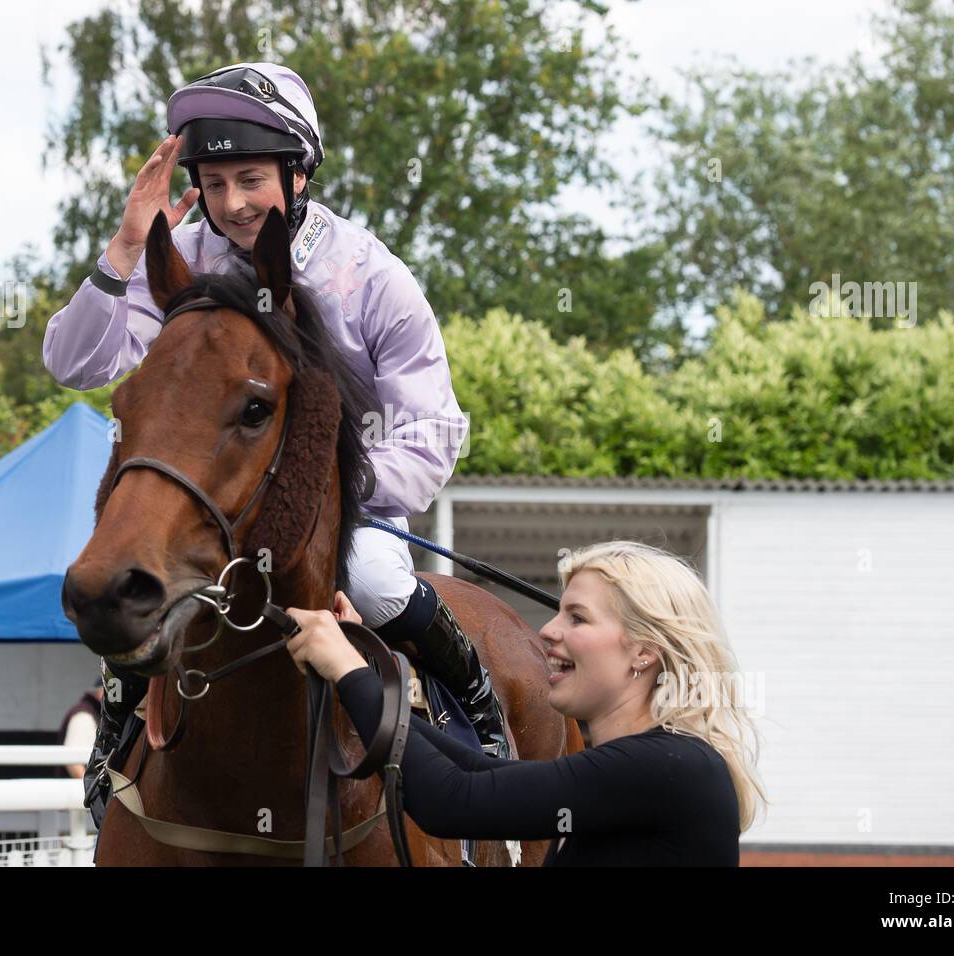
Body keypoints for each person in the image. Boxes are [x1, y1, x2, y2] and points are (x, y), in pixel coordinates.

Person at [41, 63, 509, 828]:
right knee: (135, 566)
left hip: (338, 517)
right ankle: (118, 734)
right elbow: (74, 363)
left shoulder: (374, 277)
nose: (232, 203)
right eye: (215, 183)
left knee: (376, 579)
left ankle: (477, 702)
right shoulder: (177, 260)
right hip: (213, 515)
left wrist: (327, 510)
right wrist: (126, 248)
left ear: (298, 172)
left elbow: (432, 428)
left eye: (250, 179)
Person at [285, 540, 770, 865]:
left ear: (644, 652)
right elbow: (478, 771)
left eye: (577, 619)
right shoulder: (662, 764)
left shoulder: (669, 765)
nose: (548, 631)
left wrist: (346, 670)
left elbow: (450, 800)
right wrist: (364, 673)